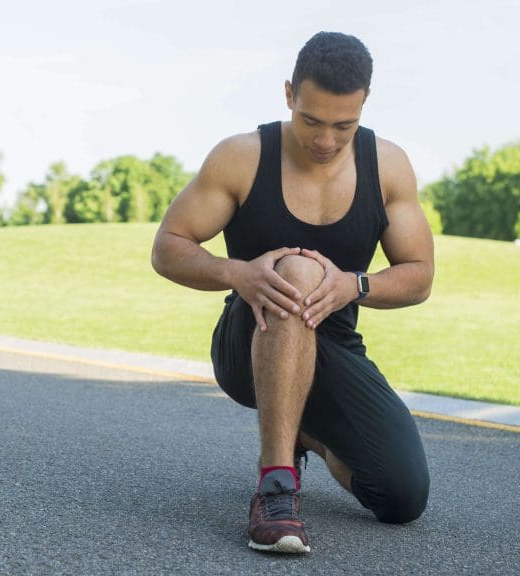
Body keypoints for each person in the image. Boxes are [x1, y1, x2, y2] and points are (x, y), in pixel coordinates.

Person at [151, 31, 434, 554]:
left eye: (343, 126)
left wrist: (355, 284)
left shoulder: (387, 166)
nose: (326, 140)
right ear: (289, 95)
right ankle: (275, 489)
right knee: (296, 273)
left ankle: (306, 434)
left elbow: (419, 275)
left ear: (363, 106)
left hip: (334, 348)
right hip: (249, 341)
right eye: (312, 121)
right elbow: (168, 247)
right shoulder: (242, 157)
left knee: (401, 496)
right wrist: (237, 273)